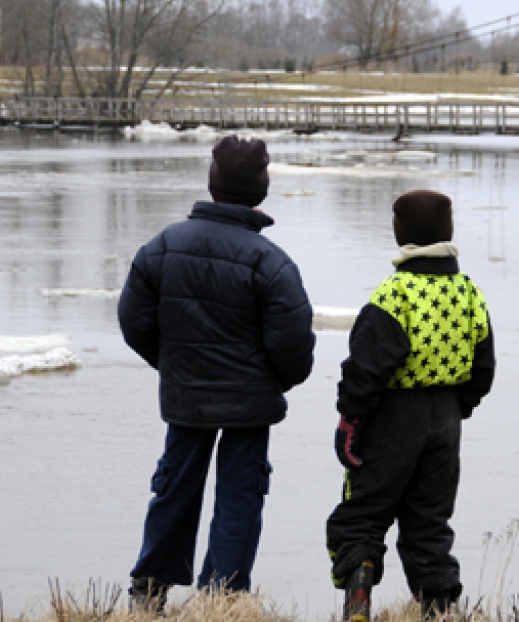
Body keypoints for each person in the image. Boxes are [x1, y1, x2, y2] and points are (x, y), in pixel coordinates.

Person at [117, 135, 315, 608]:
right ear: (261, 190)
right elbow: (293, 346)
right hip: (250, 402)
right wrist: (269, 380)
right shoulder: (272, 262)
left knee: (174, 486)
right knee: (241, 494)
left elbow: (133, 321)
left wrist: (174, 364)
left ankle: (149, 594)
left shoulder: (162, 247)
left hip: (187, 395)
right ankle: (221, 600)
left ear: (212, 182)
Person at [326, 190, 496, 621]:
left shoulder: (394, 294)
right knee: (429, 522)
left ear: (399, 233)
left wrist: (351, 420)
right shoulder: (469, 292)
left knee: (364, 513)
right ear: (449, 231)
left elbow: (365, 368)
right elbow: (484, 366)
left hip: (392, 418)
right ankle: (439, 610)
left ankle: (358, 603)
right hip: (445, 419)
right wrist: (459, 406)